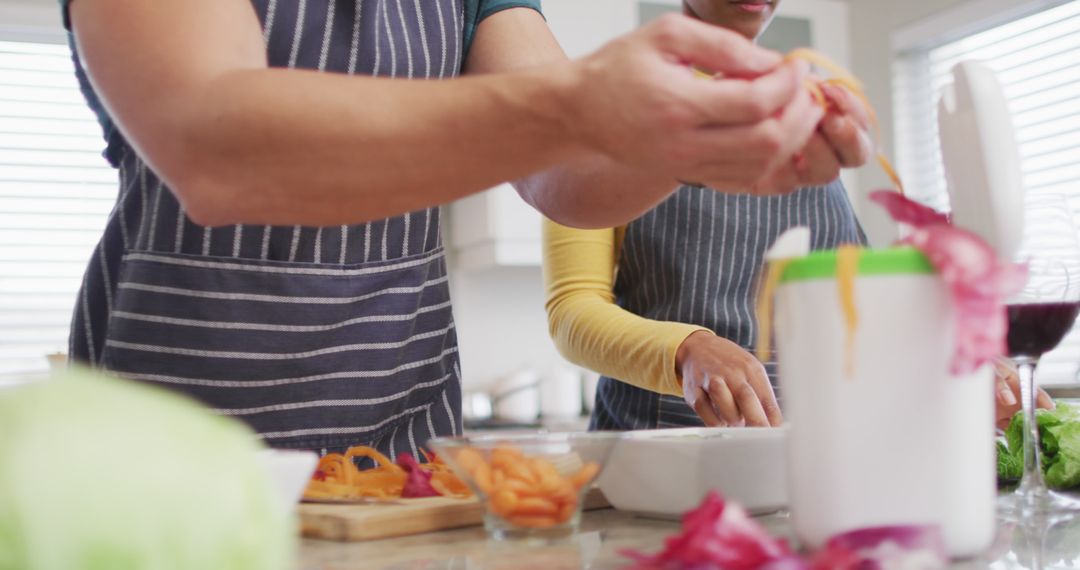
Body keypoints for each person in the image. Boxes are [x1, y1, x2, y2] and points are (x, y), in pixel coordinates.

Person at [62, 0, 830, 458]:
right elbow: (218, 150)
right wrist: (577, 101)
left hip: (402, 455)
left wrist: (702, 132)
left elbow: (570, 177)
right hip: (167, 449)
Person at [543, 0, 1044, 431]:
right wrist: (687, 348)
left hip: (810, 464)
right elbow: (572, 311)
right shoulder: (603, 105)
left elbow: (859, 315)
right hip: (652, 471)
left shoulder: (809, 110)